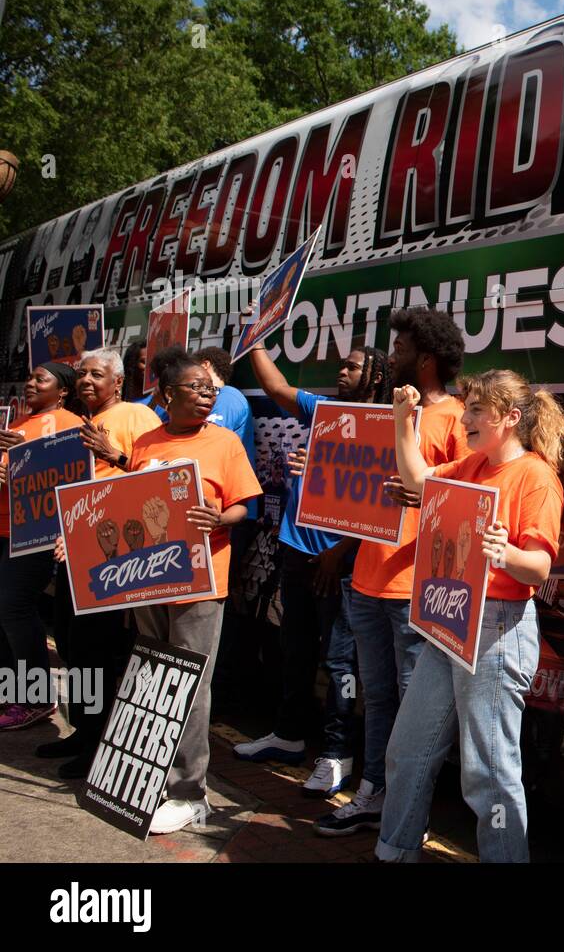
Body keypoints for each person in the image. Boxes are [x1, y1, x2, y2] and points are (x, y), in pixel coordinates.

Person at [379, 369, 564, 862]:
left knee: (489, 773)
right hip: (452, 622)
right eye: (467, 408)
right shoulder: (472, 466)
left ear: (511, 417)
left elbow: (539, 568)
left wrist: (506, 554)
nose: (466, 418)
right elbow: (418, 481)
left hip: (499, 628)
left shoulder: (535, 475)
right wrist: (403, 421)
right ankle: (393, 850)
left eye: (477, 410)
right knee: (407, 750)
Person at [313, 306, 470, 836]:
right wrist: (319, 477)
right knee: (377, 698)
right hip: (366, 582)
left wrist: (428, 496)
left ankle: (410, 810)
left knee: (413, 707)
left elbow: (471, 503)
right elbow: (352, 487)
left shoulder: (458, 419)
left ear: (425, 359)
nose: (391, 356)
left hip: (414, 590)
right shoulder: (384, 412)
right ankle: (374, 794)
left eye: (401, 349)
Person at [234, 341, 391, 798]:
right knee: (294, 649)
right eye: (342, 364)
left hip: (339, 565)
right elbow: (274, 384)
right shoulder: (323, 410)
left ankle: (336, 754)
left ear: (376, 375)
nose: (341, 371)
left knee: (341, 661)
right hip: (295, 550)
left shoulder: (386, 424)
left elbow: (384, 505)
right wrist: (257, 338)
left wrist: (339, 552)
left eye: (353, 366)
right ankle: (288, 735)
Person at [119, 346, 262, 833]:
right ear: (166, 393)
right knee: (153, 677)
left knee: (190, 682)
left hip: (201, 580)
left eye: (211, 390)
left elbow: (246, 506)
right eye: (196, 389)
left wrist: (219, 518)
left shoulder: (224, 443)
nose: (207, 396)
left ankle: (189, 791)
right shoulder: (145, 443)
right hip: (147, 581)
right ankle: (152, 774)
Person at [34, 348, 161, 778]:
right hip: (73, 550)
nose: (86, 380)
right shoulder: (83, 421)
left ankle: (100, 745)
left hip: (110, 558)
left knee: (98, 651)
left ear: (118, 382)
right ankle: (84, 732)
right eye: (82, 374)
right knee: (71, 644)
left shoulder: (135, 417)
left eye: (97, 374)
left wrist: (113, 455)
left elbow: (149, 480)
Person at [0, 362, 84, 731]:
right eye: (30, 378)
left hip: (34, 534)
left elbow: (71, 480)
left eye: (41, 379)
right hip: (2, 529)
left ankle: (34, 698)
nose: (31, 383)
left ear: (62, 391)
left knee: (15, 607)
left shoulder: (69, 424)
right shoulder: (15, 424)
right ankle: (9, 692)